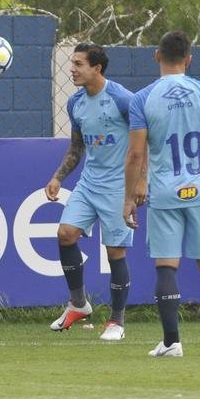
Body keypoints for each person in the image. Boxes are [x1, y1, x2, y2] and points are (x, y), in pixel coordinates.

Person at [123, 31, 200, 357]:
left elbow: (136, 154)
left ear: (156, 56)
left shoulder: (142, 99)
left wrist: (129, 196)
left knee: (167, 267)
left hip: (165, 193)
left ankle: (171, 342)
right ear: (189, 59)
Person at [44, 43, 134, 341]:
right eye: (72, 63)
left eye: (79, 64)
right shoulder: (76, 103)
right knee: (65, 234)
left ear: (97, 68)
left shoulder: (122, 99)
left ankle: (117, 322)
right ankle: (78, 304)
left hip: (119, 186)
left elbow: (143, 143)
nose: (72, 69)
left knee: (114, 252)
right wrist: (57, 178)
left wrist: (139, 185)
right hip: (89, 183)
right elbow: (76, 147)